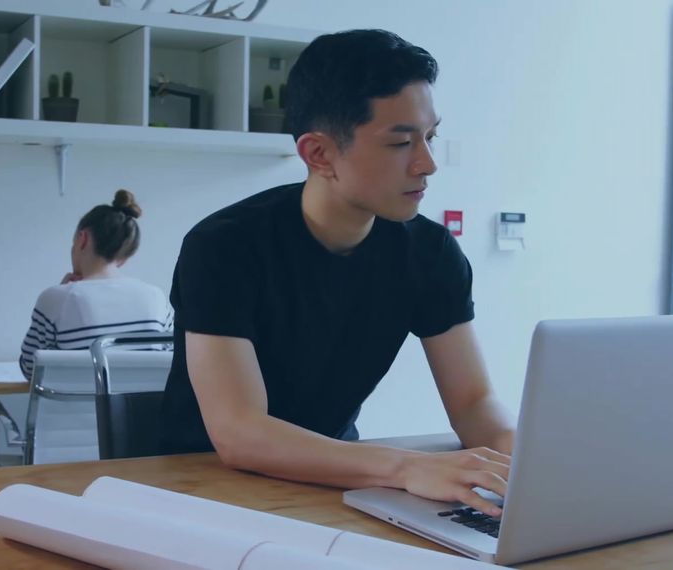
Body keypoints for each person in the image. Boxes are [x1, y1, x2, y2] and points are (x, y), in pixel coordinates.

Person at [160, 29, 515, 516]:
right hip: (197, 484)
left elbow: (475, 402)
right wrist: (407, 467)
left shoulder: (429, 252)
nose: (428, 164)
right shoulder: (223, 246)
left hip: (333, 480)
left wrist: (520, 460)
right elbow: (241, 433)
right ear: (319, 155)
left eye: (430, 137)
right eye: (401, 143)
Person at [19, 189, 173, 379]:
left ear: (82, 239)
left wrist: (60, 291)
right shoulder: (156, 298)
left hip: (74, 409)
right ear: (124, 257)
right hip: (144, 409)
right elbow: (170, 365)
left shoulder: (55, 299)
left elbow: (30, 369)